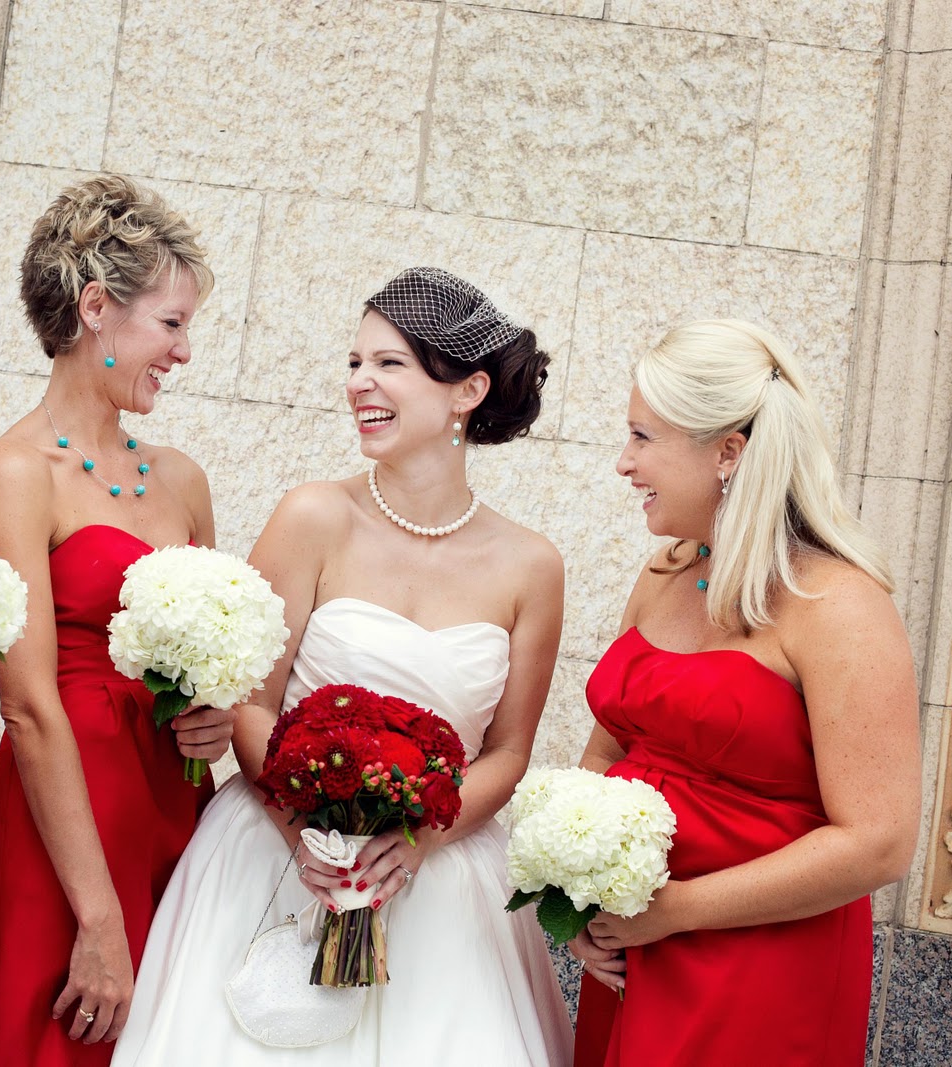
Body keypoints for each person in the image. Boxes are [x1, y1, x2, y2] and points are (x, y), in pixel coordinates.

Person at [112, 266, 574, 1066]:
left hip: (439, 883)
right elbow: (251, 705)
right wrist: (309, 840)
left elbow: (508, 750)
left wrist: (418, 841)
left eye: (389, 363)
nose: (360, 382)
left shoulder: (532, 565)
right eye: (355, 362)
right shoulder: (313, 516)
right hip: (275, 849)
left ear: (466, 391)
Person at [569, 320, 920, 1065]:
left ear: (728, 451)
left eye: (641, 437)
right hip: (631, 951)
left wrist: (678, 911)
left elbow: (880, 841)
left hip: (761, 966)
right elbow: (603, 756)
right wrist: (578, 902)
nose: (623, 464)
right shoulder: (666, 572)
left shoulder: (838, 604)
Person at [0, 174, 236, 1066]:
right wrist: (97, 913)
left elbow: (218, 671)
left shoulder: (183, 478)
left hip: (175, 803)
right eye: (171, 324)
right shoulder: (14, 473)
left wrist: (215, 719)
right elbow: (27, 703)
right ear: (95, 307)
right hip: (68, 819)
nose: (185, 351)